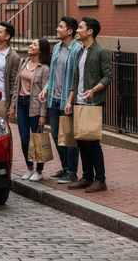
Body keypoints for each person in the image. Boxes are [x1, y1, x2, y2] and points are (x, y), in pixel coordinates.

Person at [65, 17, 112, 193]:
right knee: (81, 143)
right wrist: (69, 102)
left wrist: (94, 89)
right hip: (78, 102)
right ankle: (87, 177)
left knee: (92, 142)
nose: (77, 30)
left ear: (90, 31)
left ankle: (100, 180)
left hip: (93, 102)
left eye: (80, 27)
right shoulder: (80, 52)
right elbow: (75, 79)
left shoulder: (101, 52)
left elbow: (108, 77)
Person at [38, 17, 82, 184]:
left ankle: (71, 172)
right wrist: (46, 88)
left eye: (61, 27)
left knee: (70, 137)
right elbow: (53, 73)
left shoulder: (77, 49)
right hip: (54, 99)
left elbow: (75, 78)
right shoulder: (56, 48)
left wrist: (70, 100)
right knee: (56, 136)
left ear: (70, 31)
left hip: (67, 100)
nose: (57, 29)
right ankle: (64, 168)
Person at [9, 37, 50, 182]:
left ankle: (39, 171)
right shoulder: (23, 62)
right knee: (24, 139)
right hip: (21, 104)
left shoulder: (44, 68)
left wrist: (43, 115)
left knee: (38, 139)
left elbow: (45, 93)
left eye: (34, 44)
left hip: (35, 107)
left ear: (41, 49)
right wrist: (13, 105)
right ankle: (30, 168)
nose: (31, 46)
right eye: (31, 43)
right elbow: (16, 85)